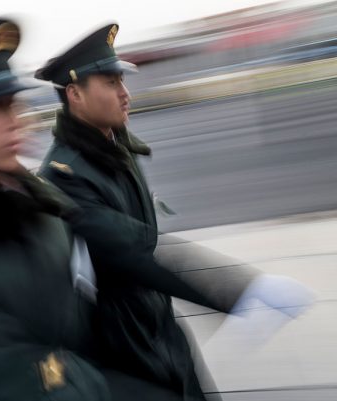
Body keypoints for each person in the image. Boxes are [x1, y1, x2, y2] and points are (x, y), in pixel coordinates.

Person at [0, 18, 237, 401]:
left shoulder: (36, 204)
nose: (16, 120)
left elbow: (89, 308)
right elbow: (9, 383)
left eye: (14, 103)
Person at [35, 24, 315, 401]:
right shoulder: (63, 177)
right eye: (111, 83)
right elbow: (135, 250)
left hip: (163, 334)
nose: (125, 93)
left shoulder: (115, 148)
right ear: (75, 94)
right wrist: (239, 290)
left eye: (122, 81)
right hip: (123, 354)